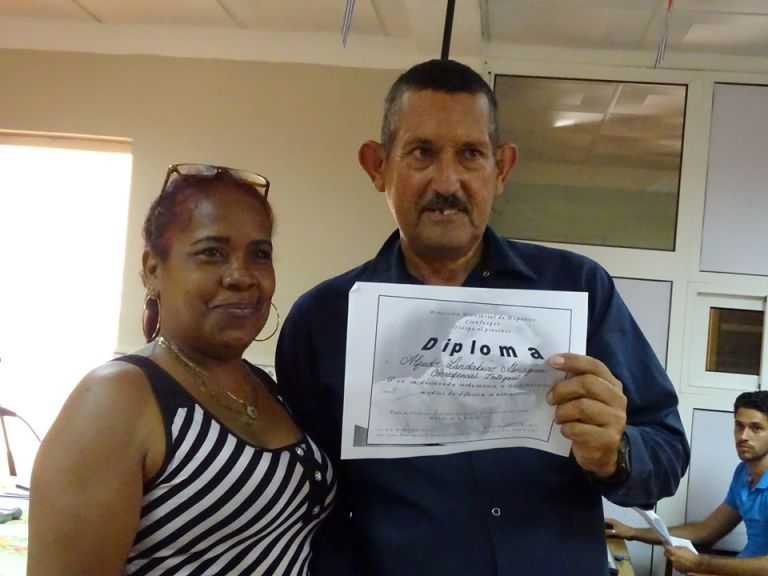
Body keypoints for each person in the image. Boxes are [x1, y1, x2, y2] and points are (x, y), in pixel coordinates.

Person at [275, 58, 689, 575]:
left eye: (470, 154)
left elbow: (668, 453)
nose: (446, 182)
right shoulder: (322, 321)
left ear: (502, 169)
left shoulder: (580, 289)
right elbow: (306, 502)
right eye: (422, 152)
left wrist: (616, 453)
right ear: (377, 165)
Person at [27, 164, 336, 575]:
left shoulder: (267, 388)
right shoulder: (117, 398)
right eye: (212, 252)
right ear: (155, 267)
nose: (242, 276)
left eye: (259, 254)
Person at [606, 390, 768, 576]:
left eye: (756, 428)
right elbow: (707, 530)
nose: (743, 436)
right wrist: (632, 532)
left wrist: (699, 563)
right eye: (739, 426)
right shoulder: (743, 473)